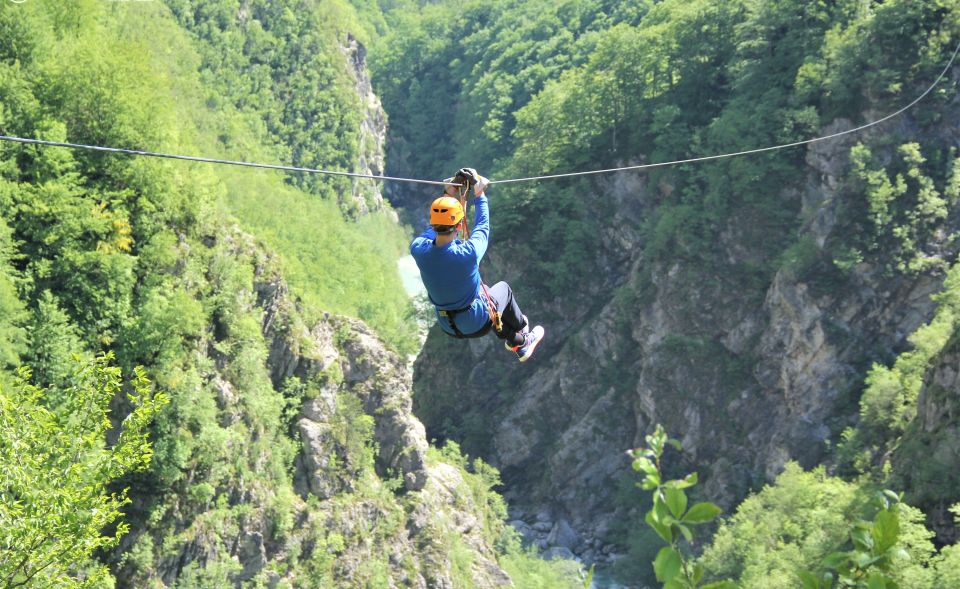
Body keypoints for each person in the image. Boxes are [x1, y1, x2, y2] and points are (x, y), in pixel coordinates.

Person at [410, 168, 545, 361]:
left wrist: (450, 194)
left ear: (432, 224)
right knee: (503, 290)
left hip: (447, 324)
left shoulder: (418, 249)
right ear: (459, 225)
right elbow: (482, 227)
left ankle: (517, 342)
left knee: (487, 294)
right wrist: (479, 194)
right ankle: (523, 334)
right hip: (474, 322)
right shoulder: (467, 254)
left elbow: (433, 231)